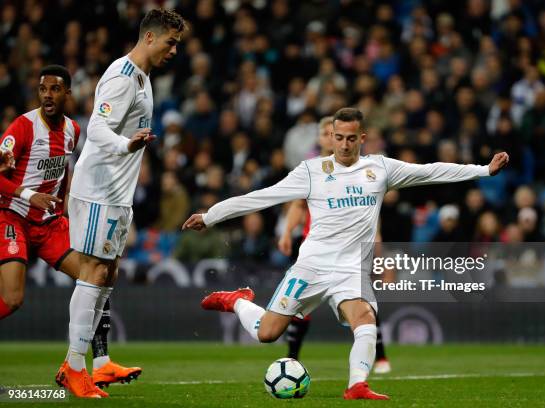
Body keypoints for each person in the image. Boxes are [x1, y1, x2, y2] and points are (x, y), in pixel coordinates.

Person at [184, 107, 509, 400]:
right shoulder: (312, 170)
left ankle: (357, 385)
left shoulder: (379, 169)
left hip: (351, 270)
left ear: (362, 138)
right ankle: (236, 300)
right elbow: (262, 197)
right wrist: (211, 216)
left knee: (365, 318)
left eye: (350, 138)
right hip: (310, 267)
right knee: (267, 333)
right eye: (338, 137)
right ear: (332, 137)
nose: (343, 144)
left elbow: (429, 172)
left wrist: (482, 170)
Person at [56, 9, 186, 398]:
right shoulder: (123, 77)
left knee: (107, 275)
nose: (174, 50)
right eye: (170, 42)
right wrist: (124, 144)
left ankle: (98, 364)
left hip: (117, 192)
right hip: (98, 189)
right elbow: (96, 127)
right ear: (149, 37)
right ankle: (73, 367)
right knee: (92, 273)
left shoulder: (143, 78)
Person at [0, 65, 135, 398]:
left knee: (97, 275)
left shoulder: (74, 131)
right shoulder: (22, 127)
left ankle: (99, 362)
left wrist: (63, 208)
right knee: (13, 299)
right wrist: (31, 196)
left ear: (67, 94)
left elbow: (63, 177)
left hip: (48, 224)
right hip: (13, 217)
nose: (47, 95)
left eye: (55, 89)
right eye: (43, 89)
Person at [277, 116, 391, 373]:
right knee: (298, 306)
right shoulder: (312, 168)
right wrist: (286, 231)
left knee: (363, 301)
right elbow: (297, 204)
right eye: (328, 134)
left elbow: (370, 205)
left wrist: (377, 238)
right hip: (315, 247)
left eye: (342, 135)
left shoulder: (361, 168)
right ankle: (292, 358)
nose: (336, 139)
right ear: (324, 138)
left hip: (351, 247)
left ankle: (380, 357)